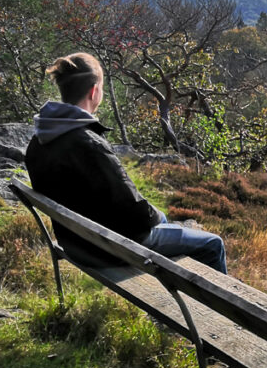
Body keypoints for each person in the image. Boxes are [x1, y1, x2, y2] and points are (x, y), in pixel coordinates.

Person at [25, 52, 227, 273]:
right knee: (213, 244)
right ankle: (218, 307)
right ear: (94, 91)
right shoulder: (88, 144)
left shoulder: (40, 140)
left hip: (77, 243)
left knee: (164, 220)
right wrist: (156, 215)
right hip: (111, 248)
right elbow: (134, 212)